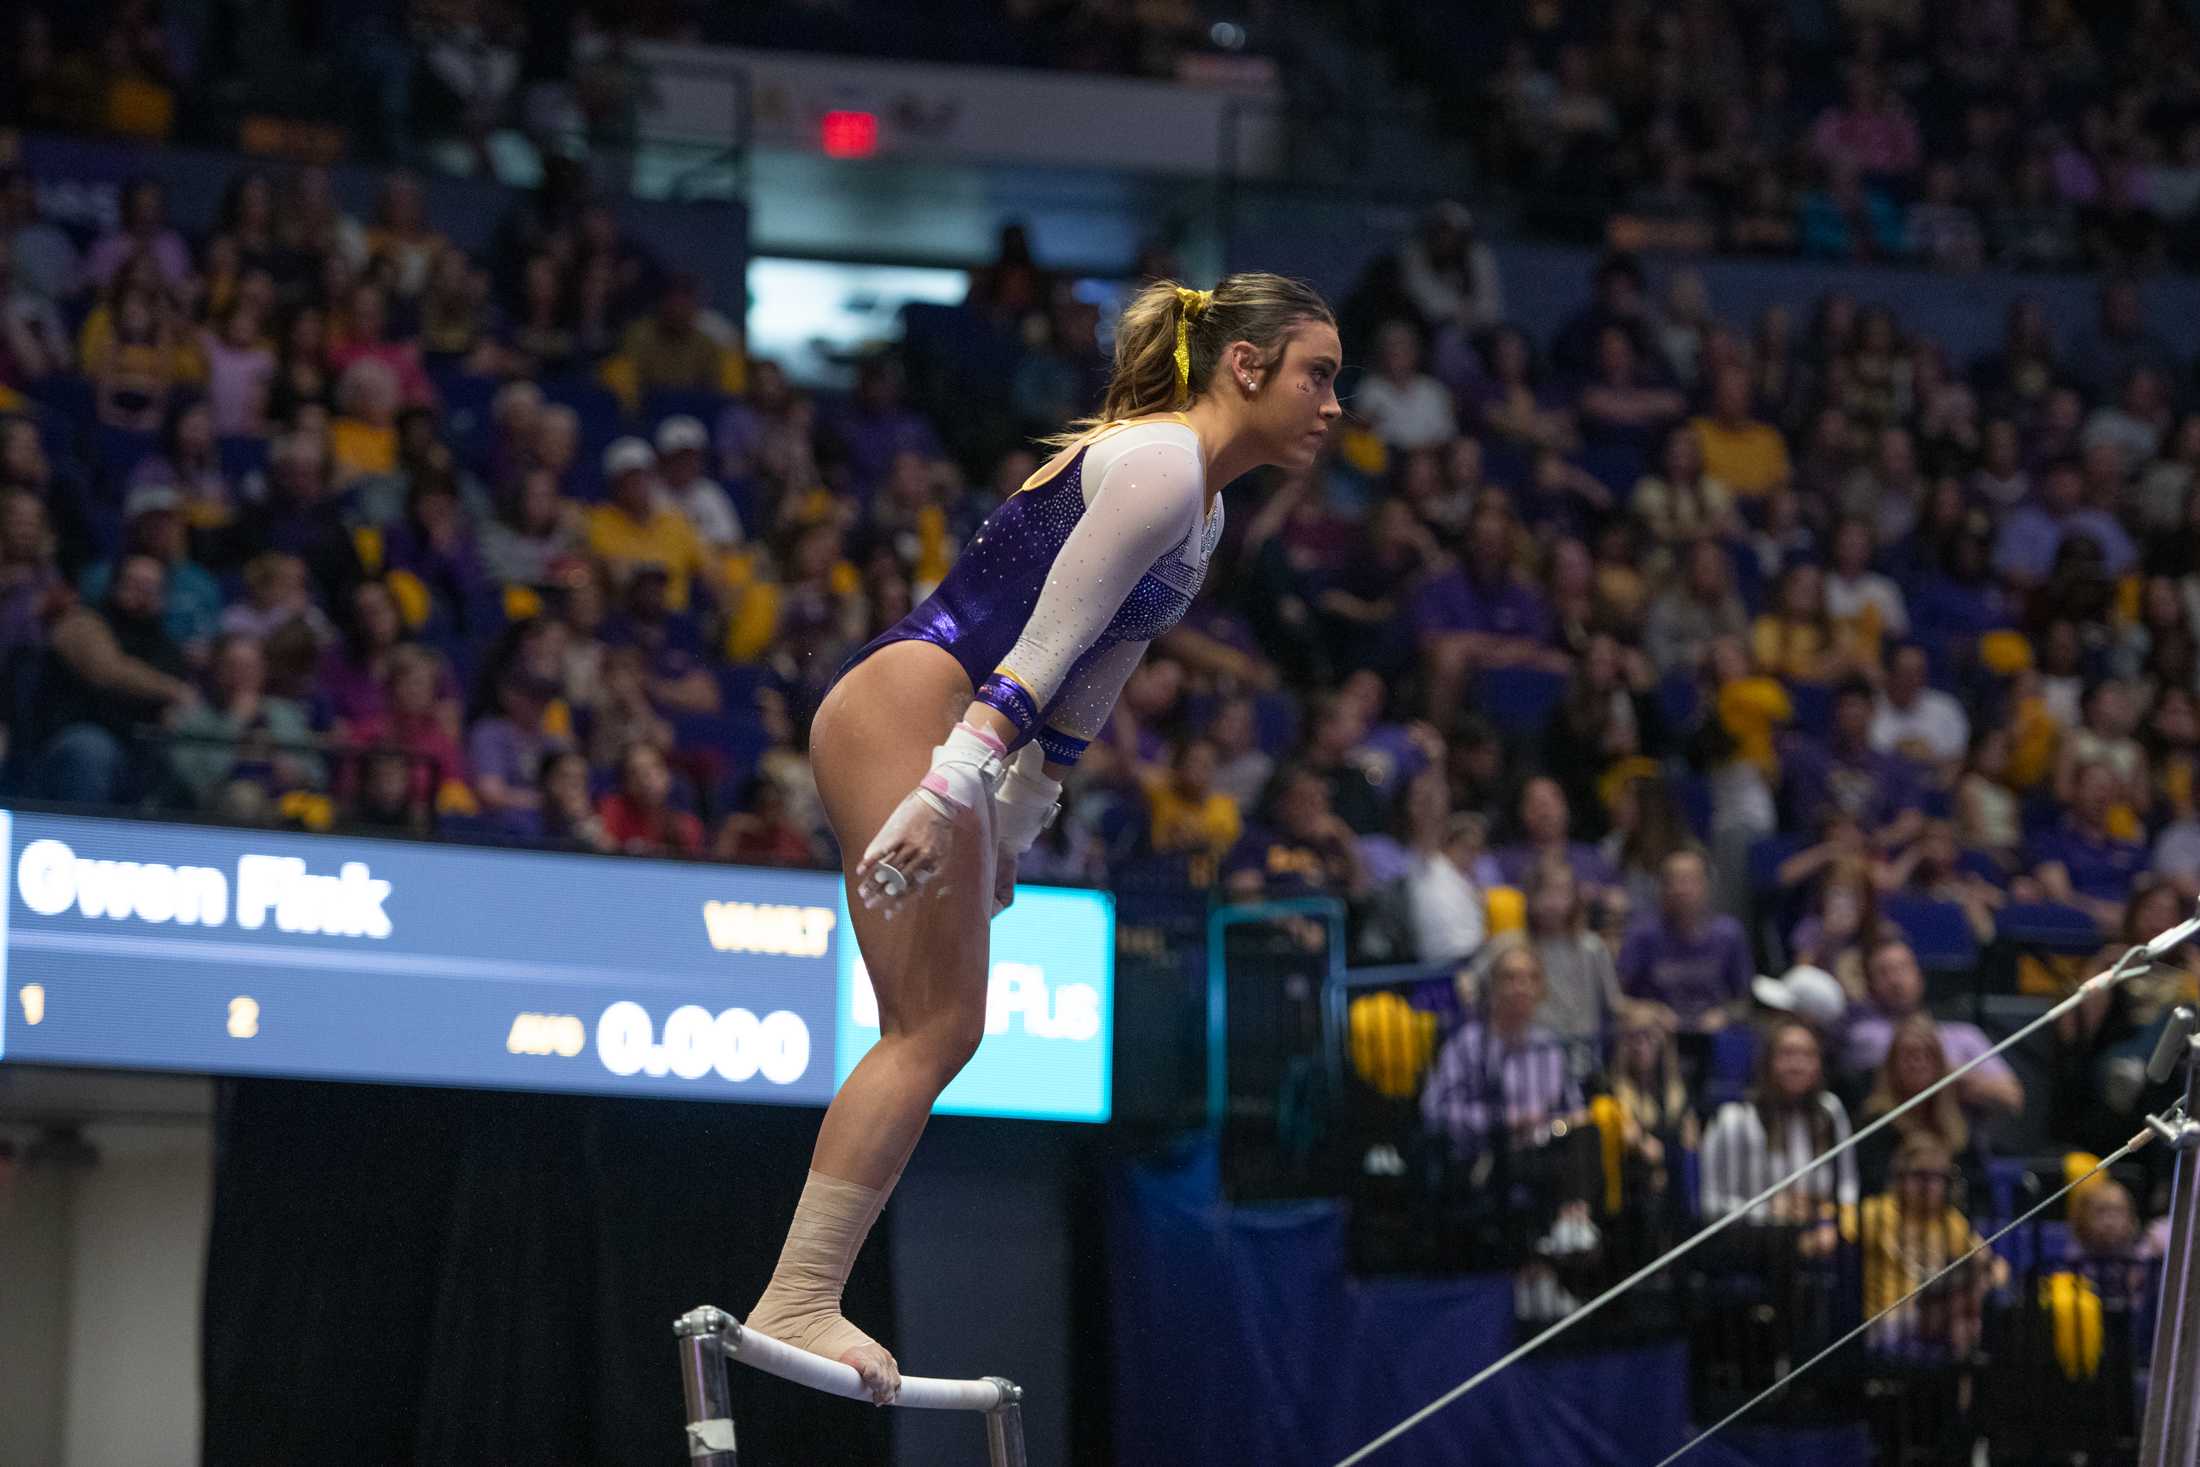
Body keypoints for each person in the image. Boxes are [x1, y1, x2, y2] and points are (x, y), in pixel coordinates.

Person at [745, 275, 1342, 1400]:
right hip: (916, 707)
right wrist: (953, 781)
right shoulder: (1160, 462)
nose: (1331, 404)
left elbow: (1083, 695)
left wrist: (1012, 824)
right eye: (1317, 373)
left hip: (932, 719)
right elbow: (1041, 643)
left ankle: (805, 1291)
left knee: (936, 1026)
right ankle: (801, 1297)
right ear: (1247, 367)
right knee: (935, 1028)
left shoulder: (1198, 509)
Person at [1701, 1019, 1860, 1223]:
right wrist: (1767, 1212)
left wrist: (1828, 1217)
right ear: (1767, 1062)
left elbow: (1848, 1187)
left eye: (1808, 1055)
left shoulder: (1829, 1110)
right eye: (1787, 1054)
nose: (1797, 1065)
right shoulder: (1734, 1119)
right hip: (1750, 1243)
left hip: (1818, 1238)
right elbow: (1710, 1202)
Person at [1617, 847, 1754, 1032]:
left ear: (1706, 885)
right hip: (1659, 1035)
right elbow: (1617, 999)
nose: (1680, 890)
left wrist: (1725, 1015)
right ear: (1662, 889)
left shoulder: (1729, 933)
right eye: (1672, 881)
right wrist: (1651, 1011)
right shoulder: (1642, 934)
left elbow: (1745, 1002)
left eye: (1689, 881)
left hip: (1713, 1037)